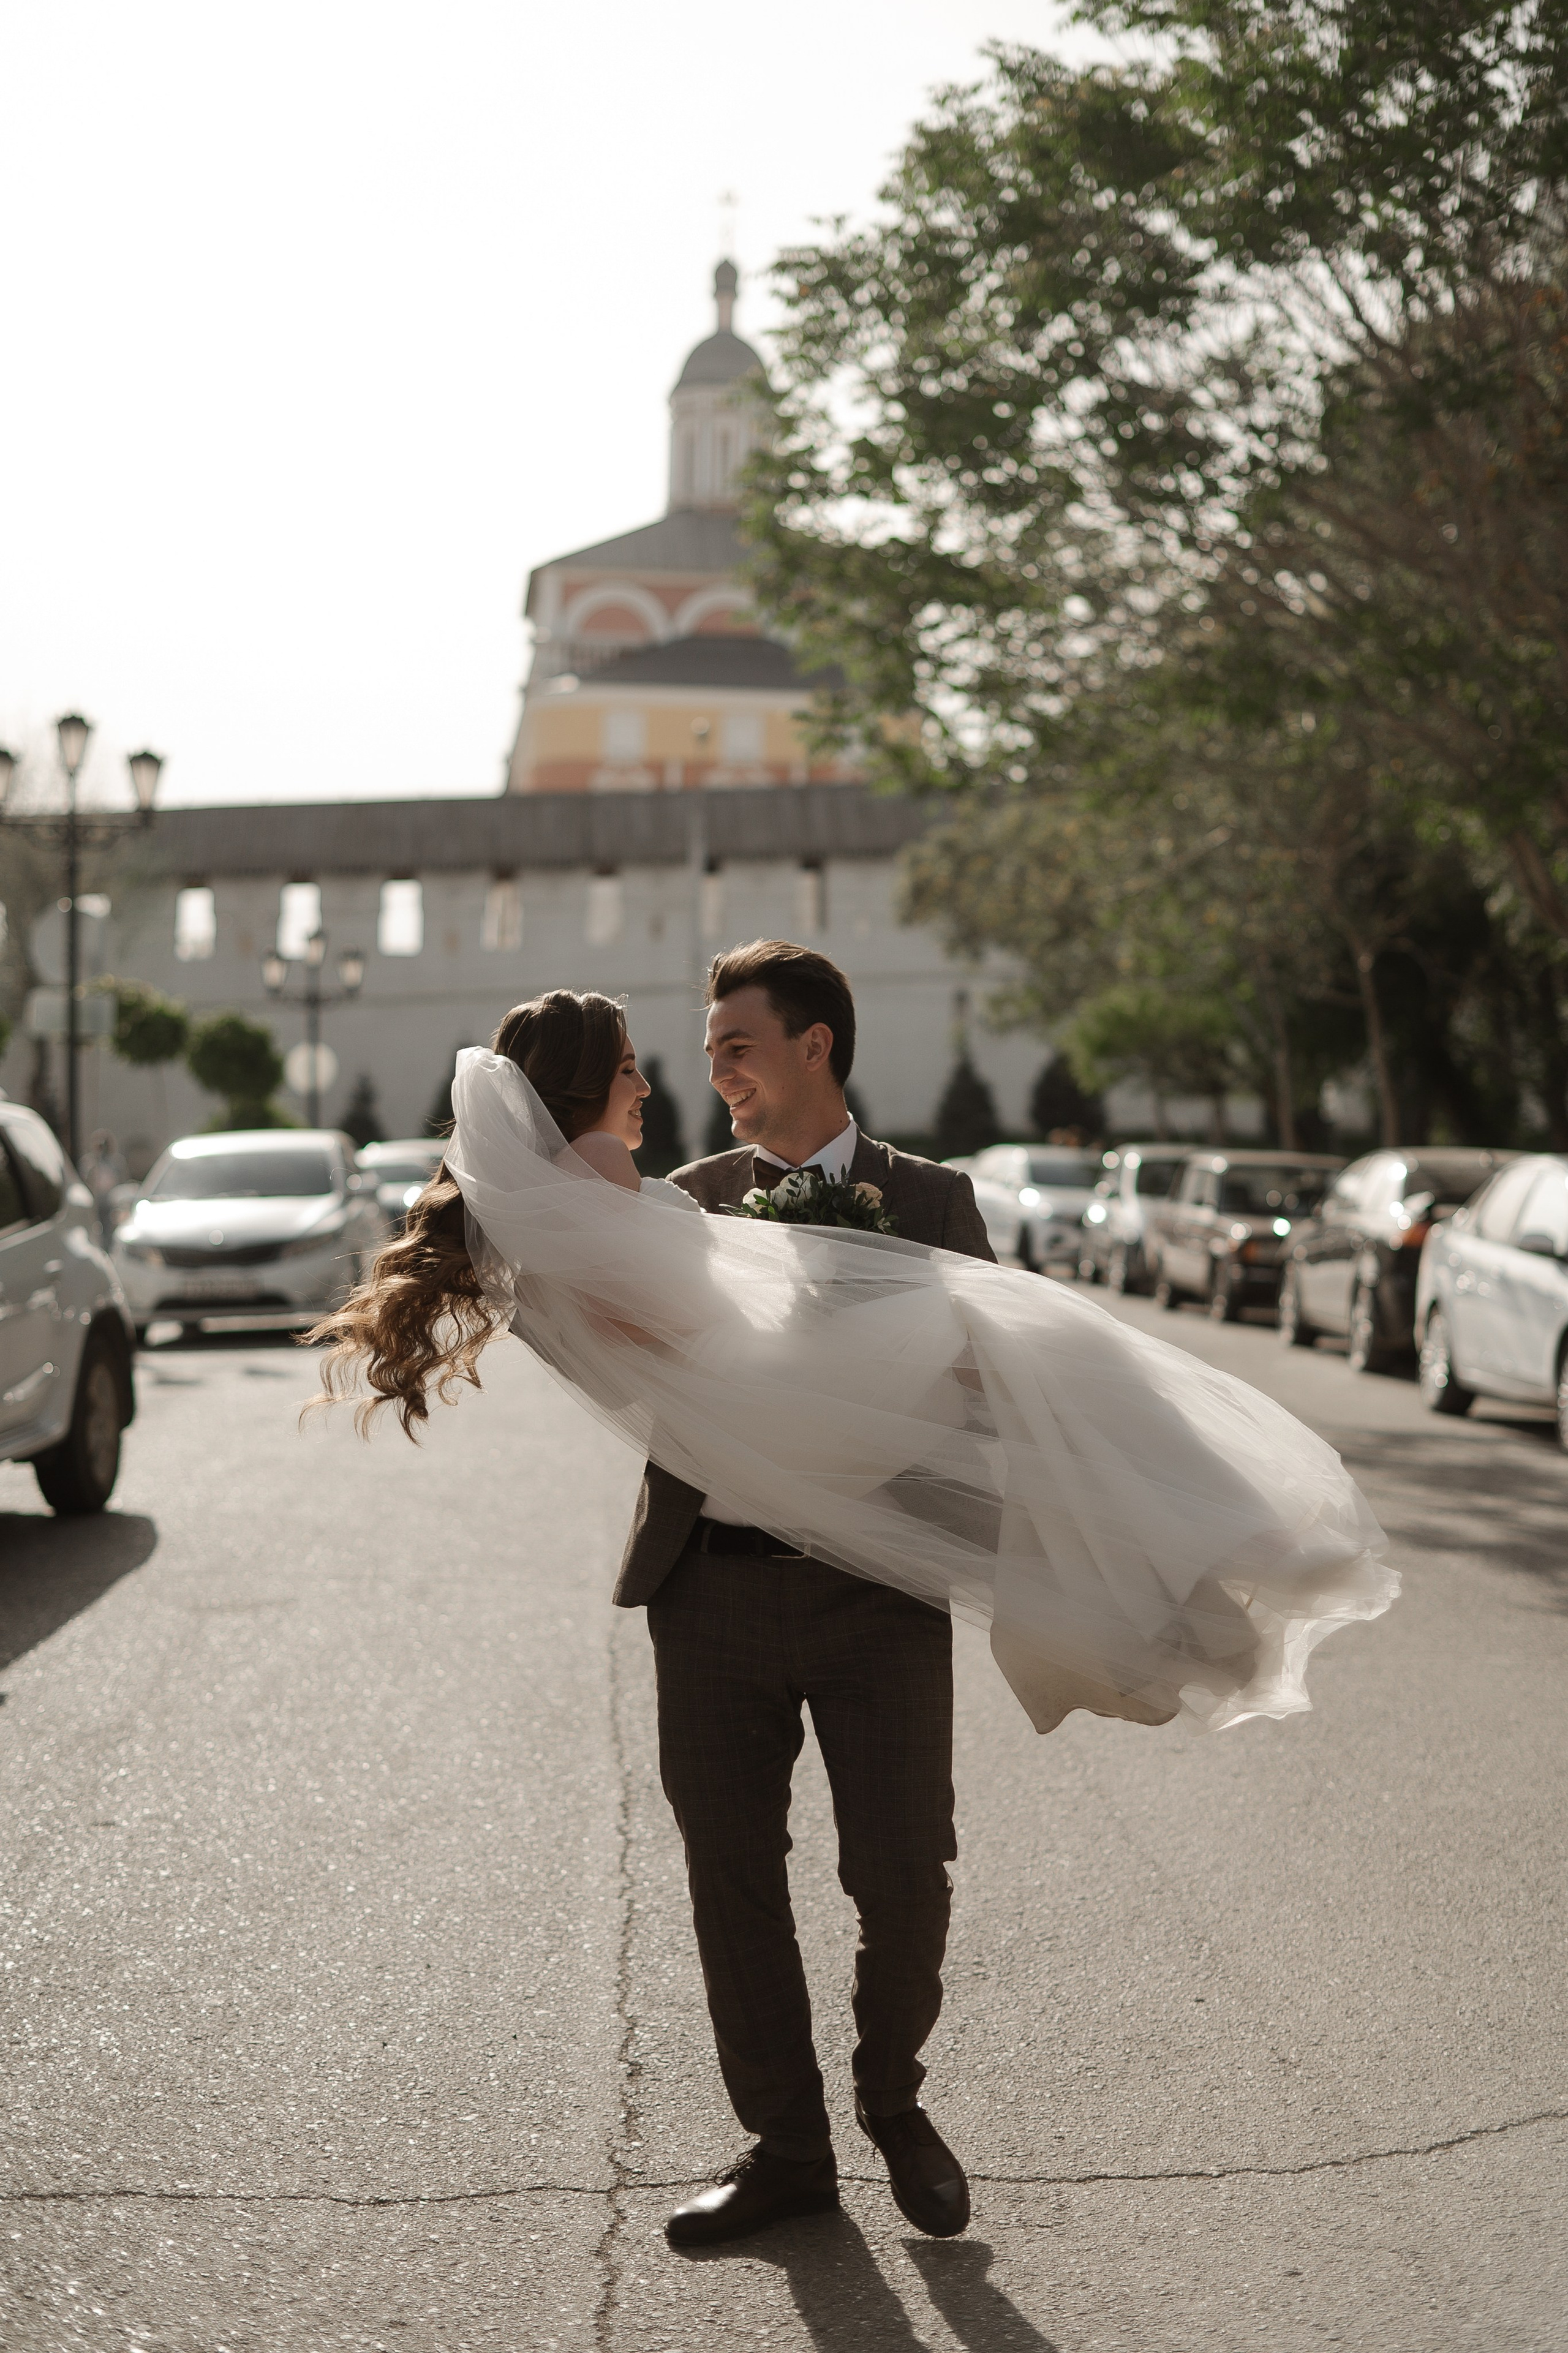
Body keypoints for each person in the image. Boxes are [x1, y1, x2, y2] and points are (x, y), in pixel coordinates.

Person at [314, 956, 1395, 2253]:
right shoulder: (677, 1200)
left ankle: (894, 2098)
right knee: (730, 1881)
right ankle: (787, 2150)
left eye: (734, 1044)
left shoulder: (930, 1198)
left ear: (812, 1046)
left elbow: (1007, 1393)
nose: (708, 1069)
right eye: (696, 1049)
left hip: (878, 1589)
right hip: (705, 1590)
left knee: (903, 1875)